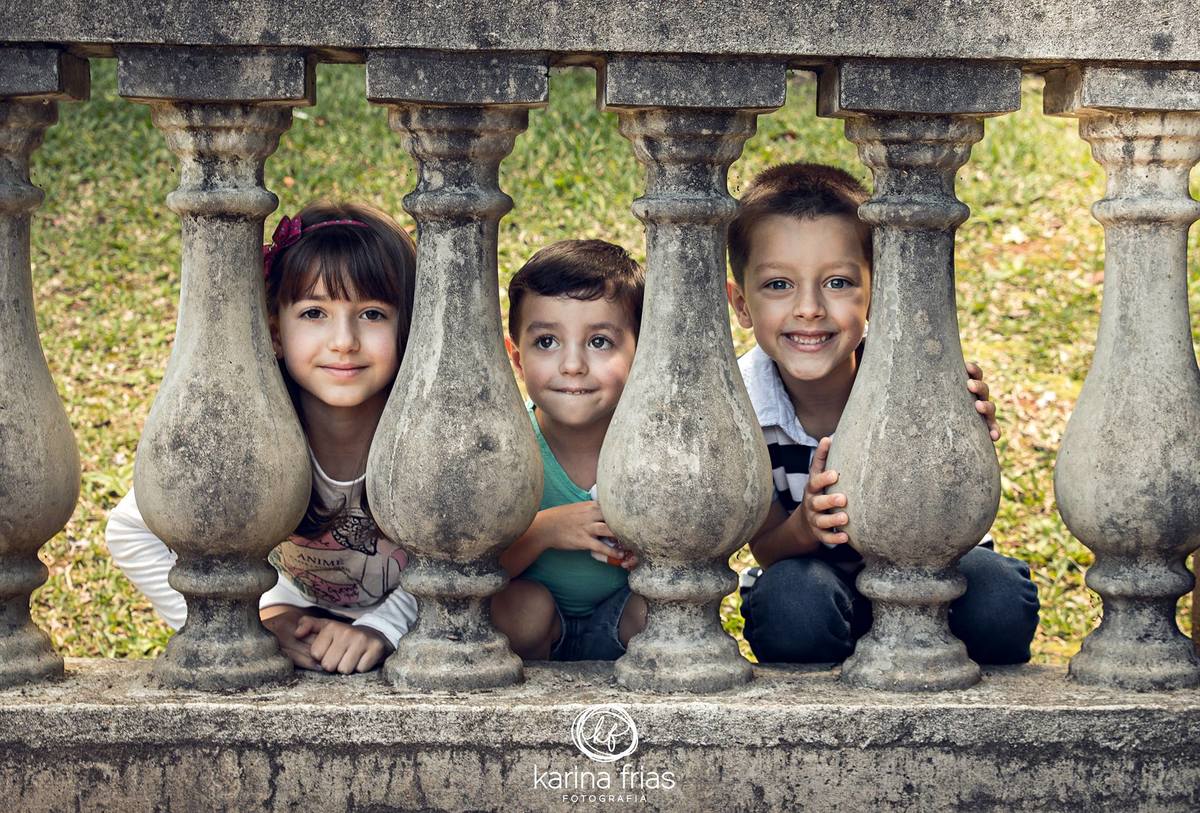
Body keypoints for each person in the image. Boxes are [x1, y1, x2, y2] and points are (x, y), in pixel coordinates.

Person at [725, 162, 1040, 665]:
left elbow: (961, 499)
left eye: (838, 282)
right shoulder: (739, 403)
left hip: (932, 572)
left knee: (999, 599)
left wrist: (963, 427)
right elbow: (766, 548)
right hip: (816, 582)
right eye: (779, 285)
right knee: (791, 605)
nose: (809, 308)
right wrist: (805, 525)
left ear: (878, 291)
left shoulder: (915, 373)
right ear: (741, 304)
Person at [106, 201, 418, 675]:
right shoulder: (251, 435)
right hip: (300, 612)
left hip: (406, 623)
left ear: (409, 329)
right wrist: (261, 617)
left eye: (372, 313)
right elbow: (132, 529)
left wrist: (384, 626)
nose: (344, 341)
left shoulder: (425, 436)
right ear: (274, 331)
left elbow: (476, 552)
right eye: (314, 312)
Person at [490, 240, 648, 661]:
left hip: (620, 623)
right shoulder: (506, 447)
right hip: (529, 634)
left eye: (599, 342)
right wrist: (544, 531)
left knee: (656, 612)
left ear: (643, 352)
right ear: (517, 358)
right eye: (546, 342)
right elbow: (473, 573)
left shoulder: (650, 449)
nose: (572, 365)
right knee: (524, 608)